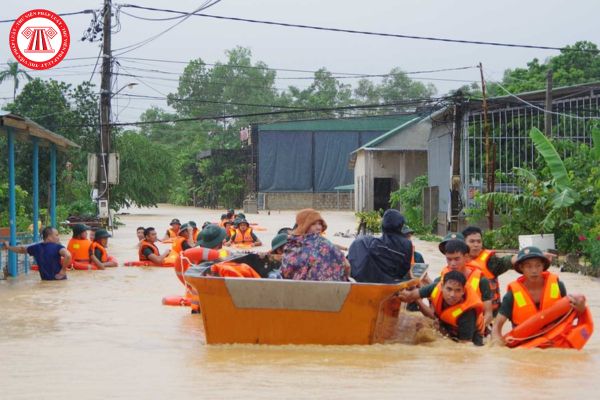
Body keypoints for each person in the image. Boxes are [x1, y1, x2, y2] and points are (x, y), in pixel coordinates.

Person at [491, 246, 587, 346]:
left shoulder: (558, 286)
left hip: (555, 343)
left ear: (543, 266)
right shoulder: (512, 296)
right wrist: (497, 345)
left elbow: (569, 316)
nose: (534, 270)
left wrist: (581, 308)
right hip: (526, 348)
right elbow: (497, 326)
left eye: (538, 265)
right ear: (521, 268)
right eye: (528, 266)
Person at [398, 239, 494, 327]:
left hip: (470, 330)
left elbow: (488, 314)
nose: (452, 263)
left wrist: (478, 327)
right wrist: (417, 300)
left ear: (466, 257)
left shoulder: (482, 281)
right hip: (447, 329)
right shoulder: (440, 281)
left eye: (456, 259)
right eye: (449, 259)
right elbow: (432, 315)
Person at [410, 270, 485, 345]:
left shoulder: (467, 313)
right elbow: (409, 295)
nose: (452, 294)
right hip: (448, 328)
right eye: (449, 289)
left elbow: (465, 346)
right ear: (442, 287)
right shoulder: (435, 287)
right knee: (421, 327)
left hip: (471, 338)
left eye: (458, 290)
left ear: (463, 291)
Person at [281, 209, 350, 281]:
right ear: (304, 225)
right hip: (329, 289)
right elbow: (347, 266)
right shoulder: (324, 244)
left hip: (297, 289)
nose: (318, 227)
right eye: (313, 224)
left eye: (320, 223)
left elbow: (285, 272)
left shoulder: (290, 243)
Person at [348, 209, 413, 283]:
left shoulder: (363, 242)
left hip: (363, 283)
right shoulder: (407, 244)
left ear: (383, 225)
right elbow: (404, 270)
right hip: (391, 284)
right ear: (401, 225)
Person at [462, 226, 514, 315]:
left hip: (490, 313)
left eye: (479, 241)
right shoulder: (457, 260)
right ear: (463, 243)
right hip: (466, 312)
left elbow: (507, 261)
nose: (476, 245)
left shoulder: (490, 260)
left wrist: (529, 256)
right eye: (472, 241)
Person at [2, 226, 71, 280]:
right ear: (49, 237)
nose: (58, 237)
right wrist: (63, 271)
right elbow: (68, 255)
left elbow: (21, 249)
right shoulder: (58, 247)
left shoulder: (36, 248)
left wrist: (8, 247)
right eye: (56, 235)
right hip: (59, 279)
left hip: (45, 280)